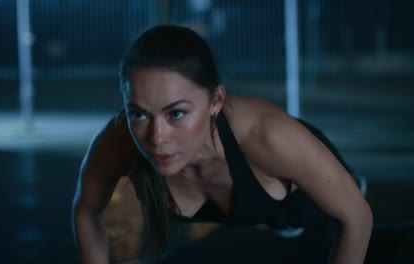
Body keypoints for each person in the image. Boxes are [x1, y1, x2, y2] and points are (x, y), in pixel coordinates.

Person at [72, 24, 372, 264]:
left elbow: (357, 217)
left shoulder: (267, 136)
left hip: (299, 196)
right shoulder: (119, 140)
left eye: (176, 113)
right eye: (138, 113)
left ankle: (347, 183)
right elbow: (86, 209)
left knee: (321, 214)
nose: (157, 137)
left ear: (216, 101)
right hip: (247, 207)